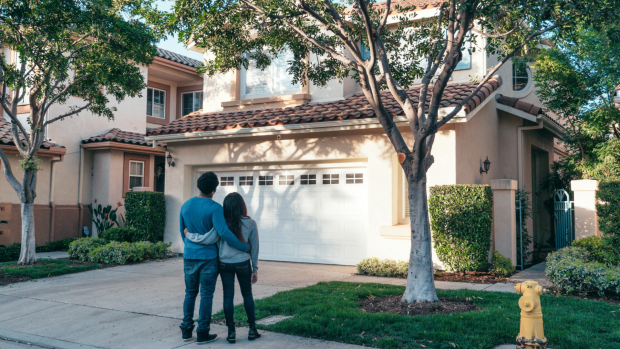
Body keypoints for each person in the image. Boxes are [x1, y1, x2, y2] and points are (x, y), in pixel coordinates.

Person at [179, 172, 250, 344]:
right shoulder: (215, 208)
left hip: (189, 256)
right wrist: (244, 246)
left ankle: (186, 330)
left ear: (199, 186)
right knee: (206, 295)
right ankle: (203, 332)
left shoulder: (186, 205)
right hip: (209, 258)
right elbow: (224, 233)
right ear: (214, 189)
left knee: (190, 293)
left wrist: (191, 247)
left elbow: (183, 232)